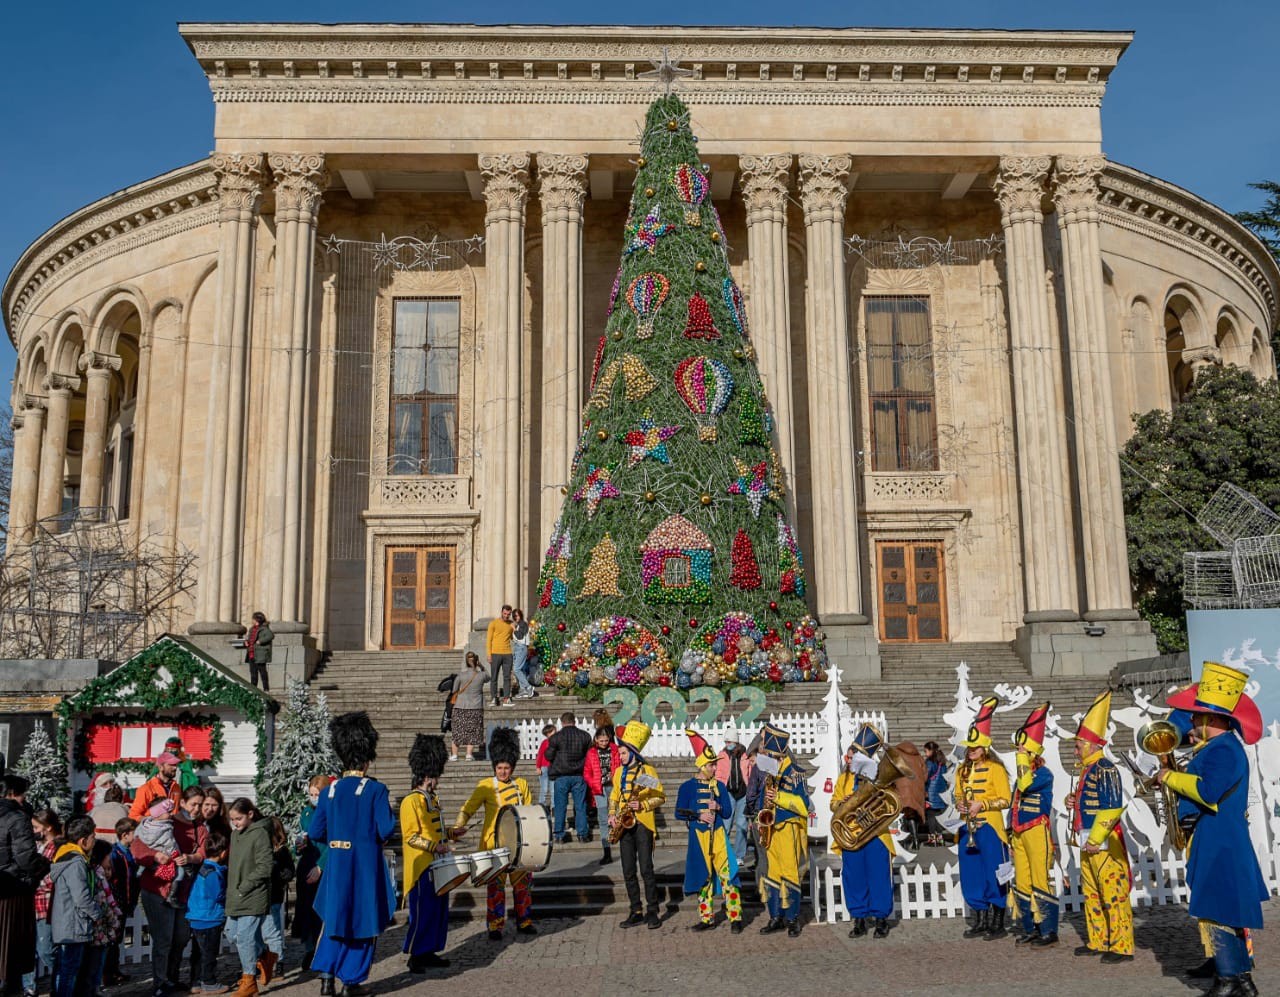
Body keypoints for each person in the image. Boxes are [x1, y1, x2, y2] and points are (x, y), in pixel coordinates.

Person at [1158, 662, 1269, 996]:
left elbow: (1208, 792)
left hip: (1221, 838)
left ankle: (1228, 980)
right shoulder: (1218, 747)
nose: (1191, 722)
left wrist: (1169, 777)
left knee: (1219, 908)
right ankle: (1239, 979)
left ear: (1211, 719)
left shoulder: (1223, 750)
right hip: (1218, 835)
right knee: (1224, 909)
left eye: (1196, 717)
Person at [308, 712, 396, 996]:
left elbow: (314, 831)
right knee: (362, 922)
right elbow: (385, 830)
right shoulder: (375, 790)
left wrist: (337, 841)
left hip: (336, 865)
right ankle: (351, 982)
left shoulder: (329, 790)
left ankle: (326, 978)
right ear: (367, 758)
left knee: (335, 921)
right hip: (365, 866)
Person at [1065, 690, 1132, 962]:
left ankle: (1121, 945)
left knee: (1112, 894)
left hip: (1102, 840)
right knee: (1091, 892)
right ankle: (1098, 939)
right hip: (1085, 837)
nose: (1075, 749)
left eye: (1079, 745)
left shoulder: (1105, 768)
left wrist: (1097, 837)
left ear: (1093, 745)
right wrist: (1073, 800)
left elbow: (1113, 806)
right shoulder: (1086, 770)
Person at [454, 728, 536, 941]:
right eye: (499, 768)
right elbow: (468, 808)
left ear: (512, 767)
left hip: (520, 846)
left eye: (506, 768)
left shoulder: (522, 785)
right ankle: (495, 926)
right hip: (494, 846)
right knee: (495, 889)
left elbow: (529, 811)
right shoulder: (485, 786)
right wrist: (459, 825)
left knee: (523, 886)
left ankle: (524, 921)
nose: (503, 772)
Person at [131, 784, 201, 997]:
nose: (196, 809)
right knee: (163, 940)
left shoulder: (190, 826)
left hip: (179, 890)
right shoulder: (149, 827)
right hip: (156, 888)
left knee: (180, 936)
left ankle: (171, 977)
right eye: (194, 804)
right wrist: (154, 856)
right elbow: (136, 846)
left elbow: (199, 851)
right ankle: (160, 983)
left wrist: (189, 857)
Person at [955, 696, 1012, 941]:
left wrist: (983, 804)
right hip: (968, 828)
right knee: (972, 874)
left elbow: (1005, 800)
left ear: (985, 748)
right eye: (969, 747)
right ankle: (979, 917)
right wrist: (960, 803)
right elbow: (958, 792)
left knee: (994, 873)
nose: (971, 751)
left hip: (990, 828)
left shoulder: (996, 769)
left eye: (975, 748)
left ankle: (998, 920)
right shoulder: (961, 770)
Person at [676, 730, 742, 932]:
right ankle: (706, 918)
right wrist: (698, 815)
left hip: (719, 836)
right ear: (702, 766)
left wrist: (719, 808)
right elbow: (679, 812)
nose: (715, 768)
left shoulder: (720, 787)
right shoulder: (687, 787)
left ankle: (735, 917)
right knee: (704, 879)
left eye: (715, 764)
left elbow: (729, 811)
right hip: (699, 837)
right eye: (712, 765)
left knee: (728, 875)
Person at [834, 724, 894, 940]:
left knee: (878, 876)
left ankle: (881, 920)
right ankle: (859, 919)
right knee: (854, 877)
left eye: (852, 757)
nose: (848, 761)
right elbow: (833, 804)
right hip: (852, 833)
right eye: (848, 758)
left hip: (876, 834)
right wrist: (843, 803)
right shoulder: (844, 780)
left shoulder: (879, 776)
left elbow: (890, 801)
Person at [752, 724, 811, 938]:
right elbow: (763, 799)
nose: (767, 758)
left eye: (770, 755)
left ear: (780, 755)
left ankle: (792, 918)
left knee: (790, 874)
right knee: (772, 875)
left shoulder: (796, 773)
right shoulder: (770, 774)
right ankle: (775, 916)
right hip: (771, 830)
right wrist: (761, 819)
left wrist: (778, 798)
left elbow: (804, 805)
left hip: (788, 829)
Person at [400, 735, 452, 973]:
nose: (436, 780)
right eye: (433, 776)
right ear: (425, 776)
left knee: (438, 910)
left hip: (438, 863)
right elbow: (411, 835)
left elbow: (434, 829)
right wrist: (434, 847)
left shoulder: (432, 798)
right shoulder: (411, 801)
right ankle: (415, 954)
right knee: (423, 912)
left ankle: (429, 950)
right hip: (421, 865)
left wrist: (452, 833)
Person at [1010, 703, 1059, 948]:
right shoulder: (1022, 774)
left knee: (1040, 879)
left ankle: (1049, 930)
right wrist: (1011, 836)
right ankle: (1030, 927)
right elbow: (1014, 803)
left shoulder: (1044, 774)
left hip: (1037, 829)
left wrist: (1021, 756)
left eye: (1023, 751)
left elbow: (1026, 785)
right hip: (1019, 832)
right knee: (1022, 881)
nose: (1019, 753)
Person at [610, 721, 665, 930]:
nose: (620, 757)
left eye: (623, 753)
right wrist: (612, 815)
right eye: (620, 754)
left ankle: (653, 911)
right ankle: (636, 910)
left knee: (647, 869)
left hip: (642, 823)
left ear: (632, 753)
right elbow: (614, 797)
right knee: (628, 870)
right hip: (624, 825)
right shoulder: (617, 774)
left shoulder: (647, 772)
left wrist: (641, 804)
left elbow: (660, 796)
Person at [1, 776, 48, 997]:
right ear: (12, 793)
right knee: (12, 953)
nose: (24, 799)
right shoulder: (16, 817)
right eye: (22, 794)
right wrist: (44, 866)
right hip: (13, 890)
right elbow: (27, 858)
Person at [226, 798, 273, 997]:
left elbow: (265, 866)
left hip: (253, 894)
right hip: (236, 894)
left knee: (245, 938)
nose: (235, 823)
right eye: (232, 819)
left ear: (250, 814)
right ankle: (264, 955)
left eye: (238, 818)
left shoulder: (260, 834)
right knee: (232, 934)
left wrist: (245, 885)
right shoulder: (235, 835)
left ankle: (249, 980)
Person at [49, 816, 100, 997]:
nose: (95, 841)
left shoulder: (67, 857)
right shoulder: (76, 862)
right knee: (68, 970)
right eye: (93, 836)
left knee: (64, 967)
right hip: (73, 923)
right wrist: (97, 913)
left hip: (68, 922)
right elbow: (82, 897)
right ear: (83, 840)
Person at [292, 776, 331, 976]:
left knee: (320, 912)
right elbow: (303, 833)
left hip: (323, 865)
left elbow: (333, 843)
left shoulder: (332, 813)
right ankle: (309, 949)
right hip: (307, 863)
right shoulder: (306, 812)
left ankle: (321, 949)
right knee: (306, 910)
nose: (313, 798)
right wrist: (298, 846)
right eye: (311, 794)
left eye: (317, 795)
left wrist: (320, 867)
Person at [19, 806, 60, 997]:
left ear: (48, 827)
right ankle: (29, 987)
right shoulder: (36, 847)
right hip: (31, 903)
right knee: (28, 949)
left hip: (46, 903)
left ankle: (61, 980)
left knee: (46, 949)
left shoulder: (57, 847)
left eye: (36, 827)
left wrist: (33, 878)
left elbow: (53, 877)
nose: (33, 831)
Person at [186, 831, 229, 995]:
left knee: (198, 953)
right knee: (209, 953)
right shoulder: (212, 873)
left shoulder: (203, 868)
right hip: (209, 918)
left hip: (197, 917)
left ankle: (196, 980)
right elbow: (217, 895)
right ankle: (209, 981)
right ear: (223, 852)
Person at [80, 840, 122, 997]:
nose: (109, 860)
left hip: (102, 927)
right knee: (94, 962)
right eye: (108, 857)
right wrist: (112, 918)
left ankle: (94, 988)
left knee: (98, 960)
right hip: (99, 926)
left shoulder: (101, 873)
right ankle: (91, 990)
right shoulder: (97, 874)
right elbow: (102, 900)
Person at [104, 817, 140, 988]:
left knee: (117, 938)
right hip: (118, 900)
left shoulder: (129, 851)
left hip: (126, 900)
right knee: (113, 938)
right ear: (125, 835)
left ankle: (114, 970)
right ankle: (108, 973)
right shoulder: (116, 854)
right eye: (135, 833)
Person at [546, 712, 591, 844]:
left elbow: (548, 756)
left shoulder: (556, 738)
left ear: (562, 722)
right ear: (574, 721)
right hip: (579, 775)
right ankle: (582, 834)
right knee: (581, 806)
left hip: (561, 775)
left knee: (560, 806)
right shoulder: (585, 736)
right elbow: (589, 755)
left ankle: (559, 835)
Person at [136, 799, 190, 899]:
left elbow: (137, 835)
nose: (171, 814)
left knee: (143, 868)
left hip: (150, 858)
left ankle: (138, 875)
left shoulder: (145, 824)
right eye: (168, 812)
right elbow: (170, 844)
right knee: (180, 873)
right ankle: (172, 895)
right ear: (159, 813)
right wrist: (176, 854)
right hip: (165, 856)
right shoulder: (165, 828)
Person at [714, 732, 753, 866]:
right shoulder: (721, 755)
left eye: (729, 742)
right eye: (726, 742)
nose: (727, 744)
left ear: (735, 742)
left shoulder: (745, 755)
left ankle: (739, 855)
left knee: (742, 825)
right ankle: (724, 852)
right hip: (728, 793)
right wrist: (719, 790)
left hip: (743, 793)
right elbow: (718, 774)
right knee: (726, 824)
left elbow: (750, 772)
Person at [583, 725, 620, 865]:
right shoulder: (591, 752)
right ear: (596, 740)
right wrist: (593, 783)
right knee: (603, 819)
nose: (604, 743)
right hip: (599, 789)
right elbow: (586, 771)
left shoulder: (615, 750)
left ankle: (623, 846)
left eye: (606, 740)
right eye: (601, 740)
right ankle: (607, 852)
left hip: (614, 786)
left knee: (617, 816)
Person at [264, 818, 294, 981]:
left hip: (274, 896)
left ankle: (277, 963)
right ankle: (263, 962)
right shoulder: (261, 849)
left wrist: (279, 876)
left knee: (272, 931)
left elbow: (289, 872)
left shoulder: (282, 851)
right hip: (260, 896)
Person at [448, 653, 489, 762]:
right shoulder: (481, 675)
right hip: (476, 707)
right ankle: (469, 754)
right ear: (476, 662)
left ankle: (454, 755)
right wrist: (481, 666)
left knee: (457, 731)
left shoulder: (460, 675)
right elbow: (488, 677)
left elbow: (454, 690)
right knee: (473, 731)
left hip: (460, 706)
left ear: (466, 663)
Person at [129, 750, 183, 822]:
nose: (175, 768)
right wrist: (152, 821)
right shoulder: (145, 789)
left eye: (175, 764)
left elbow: (178, 810)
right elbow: (133, 816)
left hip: (172, 830)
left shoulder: (177, 787)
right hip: (152, 831)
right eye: (171, 764)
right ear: (161, 767)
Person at [486, 605, 515, 707]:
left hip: (507, 653)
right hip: (495, 653)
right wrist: (489, 654)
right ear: (501, 612)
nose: (506, 616)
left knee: (507, 677)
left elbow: (513, 638)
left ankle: (506, 699)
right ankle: (494, 698)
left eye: (508, 614)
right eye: (505, 614)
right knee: (494, 677)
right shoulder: (493, 624)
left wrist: (515, 629)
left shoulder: (511, 625)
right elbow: (488, 640)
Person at [922, 741, 949, 845]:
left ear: (931, 750)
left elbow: (925, 776)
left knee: (931, 816)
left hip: (931, 793)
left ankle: (933, 838)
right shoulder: (942, 762)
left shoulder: (929, 762)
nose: (925, 753)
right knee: (939, 816)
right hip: (941, 793)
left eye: (926, 751)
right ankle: (940, 838)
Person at [510, 609, 536, 699]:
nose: (516, 617)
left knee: (516, 669)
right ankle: (523, 690)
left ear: (520, 615)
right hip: (518, 648)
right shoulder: (518, 625)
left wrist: (513, 629)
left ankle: (528, 687)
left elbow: (520, 636)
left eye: (517, 615)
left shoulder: (523, 624)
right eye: (514, 616)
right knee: (520, 670)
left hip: (521, 647)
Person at [245, 612, 274, 691]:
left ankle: (266, 688)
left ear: (257, 619)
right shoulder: (252, 629)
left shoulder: (264, 628)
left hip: (260, 654)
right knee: (253, 673)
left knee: (262, 672)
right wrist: (246, 642)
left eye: (253, 619)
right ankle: (253, 688)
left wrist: (261, 641)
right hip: (251, 653)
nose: (252, 620)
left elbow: (270, 636)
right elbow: (250, 639)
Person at [535, 725, 556, 807]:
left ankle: (554, 806)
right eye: (550, 732)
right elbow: (540, 755)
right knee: (544, 789)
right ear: (546, 734)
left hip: (554, 768)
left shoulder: (558, 741)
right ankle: (542, 805)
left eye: (553, 731)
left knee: (553, 790)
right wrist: (538, 767)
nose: (552, 733)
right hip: (544, 768)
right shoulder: (545, 742)